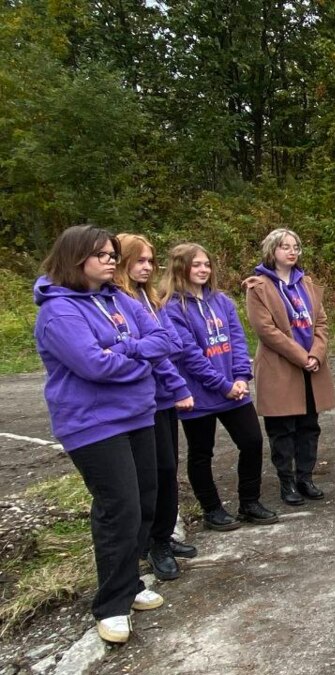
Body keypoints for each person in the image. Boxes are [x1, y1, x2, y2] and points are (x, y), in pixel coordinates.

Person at [34, 225, 174, 643]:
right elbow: (93, 365)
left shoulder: (119, 298)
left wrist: (125, 352)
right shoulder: (59, 311)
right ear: (75, 258)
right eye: (102, 254)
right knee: (120, 509)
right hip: (93, 424)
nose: (111, 260)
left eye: (113, 254)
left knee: (145, 502)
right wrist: (139, 359)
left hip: (137, 414)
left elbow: (162, 338)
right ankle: (111, 604)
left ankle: (130, 585)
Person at [163, 244, 278, 531]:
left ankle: (249, 502)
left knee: (252, 442)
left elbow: (238, 342)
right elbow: (188, 355)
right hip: (200, 395)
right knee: (201, 452)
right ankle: (212, 509)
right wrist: (222, 385)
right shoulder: (172, 308)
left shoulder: (222, 301)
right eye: (196, 265)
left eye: (206, 264)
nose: (203, 270)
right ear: (180, 268)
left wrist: (240, 377)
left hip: (234, 391)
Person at [112, 234, 196, 581]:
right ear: (123, 262)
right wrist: (176, 382)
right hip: (144, 399)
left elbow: (169, 345)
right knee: (152, 476)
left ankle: (162, 536)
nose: (147, 267)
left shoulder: (151, 299)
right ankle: (152, 543)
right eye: (140, 261)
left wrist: (149, 350)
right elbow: (155, 352)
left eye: (150, 261)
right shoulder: (120, 301)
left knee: (167, 470)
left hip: (161, 399)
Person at [244, 228, 335, 507]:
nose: (292, 251)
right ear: (272, 251)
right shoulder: (258, 286)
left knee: (310, 425)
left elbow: (321, 323)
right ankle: (286, 481)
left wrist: (316, 355)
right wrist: (301, 356)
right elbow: (266, 330)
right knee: (282, 428)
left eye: (296, 246)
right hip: (280, 366)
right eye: (285, 246)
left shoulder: (306, 283)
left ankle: (305, 477)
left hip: (312, 365)